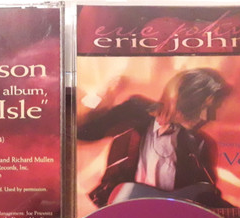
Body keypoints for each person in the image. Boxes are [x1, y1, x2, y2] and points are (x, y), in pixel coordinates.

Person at [78, 68, 230, 209]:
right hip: (120, 215)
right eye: (205, 108)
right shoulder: (134, 111)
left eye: (213, 109)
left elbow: (206, 197)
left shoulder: (201, 144)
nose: (207, 117)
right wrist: (106, 97)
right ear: (186, 98)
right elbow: (84, 132)